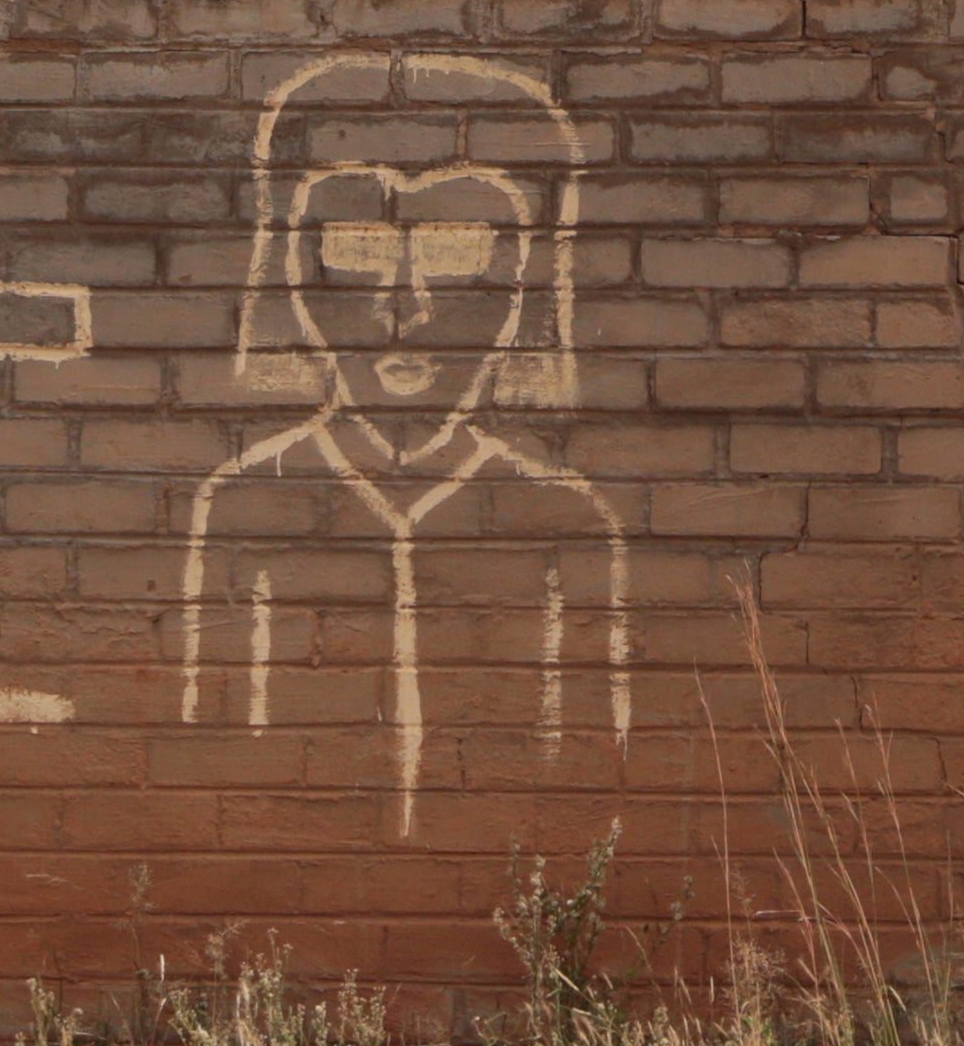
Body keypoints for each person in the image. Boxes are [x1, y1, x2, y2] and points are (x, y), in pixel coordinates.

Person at [173, 53, 628, 841]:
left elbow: (591, 771)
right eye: (357, 251)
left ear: (524, 279)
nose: (403, 305)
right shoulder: (247, 502)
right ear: (292, 269)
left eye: (456, 253)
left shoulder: (564, 519)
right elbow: (211, 749)